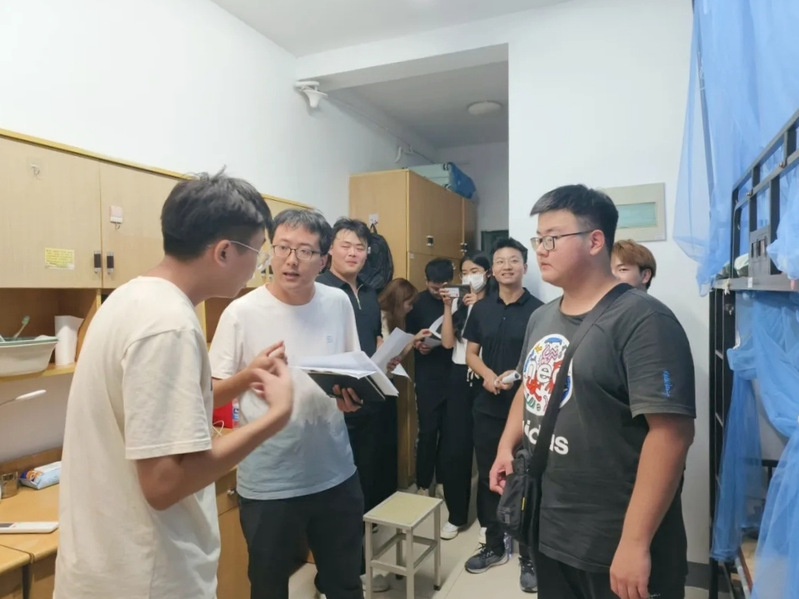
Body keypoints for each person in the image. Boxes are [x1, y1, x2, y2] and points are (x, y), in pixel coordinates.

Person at [55, 173, 294, 599]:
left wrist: (243, 379)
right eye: (259, 254)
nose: (260, 270)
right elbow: (165, 484)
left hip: (105, 567)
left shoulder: (130, 298)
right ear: (224, 251)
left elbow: (159, 410)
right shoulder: (171, 326)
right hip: (147, 576)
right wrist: (274, 419)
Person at [491, 185, 695, 599]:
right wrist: (505, 446)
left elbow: (672, 434)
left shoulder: (644, 320)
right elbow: (531, 387)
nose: (541, 250)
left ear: (595, 241)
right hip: (551, 526)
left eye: (552, 238)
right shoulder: (542, 317)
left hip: (614, 538)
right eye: (538, 239)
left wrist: (635, 543)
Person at [209, 209, 365, 599]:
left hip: (335, 473)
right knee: (268, 588)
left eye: (305, 251)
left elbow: (349, 370)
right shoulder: (241, 312)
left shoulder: (338, 302)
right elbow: (209, 394)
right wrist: (250, 375)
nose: (291, 260)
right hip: (269, 481)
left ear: (323, 260)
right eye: (282, 248)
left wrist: (349, 399)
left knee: (345, 584)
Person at [462, 238, 543, 593]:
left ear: (525, 267)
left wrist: (517, 375)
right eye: (499, 261)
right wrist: (488, 376)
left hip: (527, 411)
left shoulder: (541, 312)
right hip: (487, 407)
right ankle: (494, 545)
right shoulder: (481, 309)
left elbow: (543, 361)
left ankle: (529, 556)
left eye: (513, 260)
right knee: (488, 477)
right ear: (492, 270)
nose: (506, 266)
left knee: (527, 481)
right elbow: (471, 354)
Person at [317, 217, 392, 593]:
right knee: (337, 495)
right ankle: (335, 574)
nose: (353, 253)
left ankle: (358, 566)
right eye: (345, 245)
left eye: (360, 248)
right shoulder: (319, 290)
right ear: (330, 248)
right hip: (333, 405)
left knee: (366, 484)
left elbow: (373, 338)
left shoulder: (369, 291)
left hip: (369, 401)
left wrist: (386, 355)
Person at [437, 252, 492, 540]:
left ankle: (488, 520)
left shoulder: (494, 303)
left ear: (488, 274)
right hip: (459, 377)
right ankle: (456, 514)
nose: (471, 276)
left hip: (485, 376)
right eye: (466, 272)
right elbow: (448, 343)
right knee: (455, 450)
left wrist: (480, 307)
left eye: (476, 270)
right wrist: (449, 307)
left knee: (486, 450)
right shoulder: (459, 303)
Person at [405, 258, 454, 496]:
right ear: (426, 282)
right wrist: (418, 344)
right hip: (427, 376)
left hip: (453, 373)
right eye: (434, 287)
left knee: (449, 431)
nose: (438, 292)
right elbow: (407, 335)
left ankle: (444, 480)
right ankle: (424, 483)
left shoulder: (458, 302)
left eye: (443, 286)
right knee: (427, 431)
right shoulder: (417, 303)